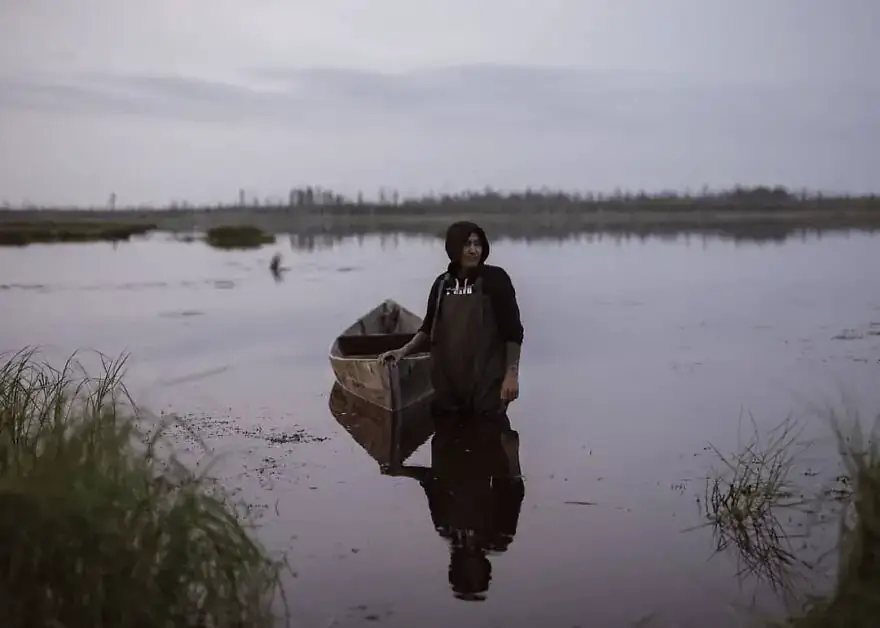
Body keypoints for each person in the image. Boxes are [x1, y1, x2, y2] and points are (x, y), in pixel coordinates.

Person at [377, 221, 524, 423]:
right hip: (447, 386)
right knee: (447, 445)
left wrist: (511, 374)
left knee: (490, 442)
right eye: (467, 244)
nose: (473, 250)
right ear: (454, 248)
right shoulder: (441, 284)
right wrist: (403, 351)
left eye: (477, 244)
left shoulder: (496, 279)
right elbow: (428, 328)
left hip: (487, 385)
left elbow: (513, 332)